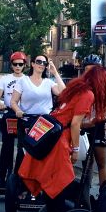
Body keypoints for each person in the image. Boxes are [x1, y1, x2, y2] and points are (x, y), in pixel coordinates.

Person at [18, 64, 106, 212]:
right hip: (59, 140)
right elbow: (75, 124)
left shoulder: (76, 89)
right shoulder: (88, 94)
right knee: (61, 181)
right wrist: (75, 149)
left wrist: (92, 122)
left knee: (51, 178)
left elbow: (70, 119)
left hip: (49, 133)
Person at [10, 54, 66, 188]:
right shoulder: (23, 81)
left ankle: (42, 184)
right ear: (33, 64)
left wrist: (55, 72)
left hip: (44, 122)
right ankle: (20, 185)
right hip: (27, 120)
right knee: (24, 153)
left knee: (45, 154)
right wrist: (17, 110)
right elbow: (13, 101)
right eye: (39, 61)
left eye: (44, 63)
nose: (42, 64)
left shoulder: (48, 82)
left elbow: (63, 92)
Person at [0, 51, 27, 184]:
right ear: (11, 65)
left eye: (20, 64)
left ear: (24, 65)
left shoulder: (27, 80)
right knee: (7, 146)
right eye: (15, 64)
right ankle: (2, 175)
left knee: (22, 147)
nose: (18, 66)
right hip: (9, 114)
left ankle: (18, 176)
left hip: (24, 116)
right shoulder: (5, 79)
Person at [79, 54, 106, 185]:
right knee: (87, 164)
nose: (90, 73)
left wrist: (102, 116)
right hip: (84, 125)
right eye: (88, 69)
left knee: (101, 162)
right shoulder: (81, 85)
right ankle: (85, 197)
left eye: (93, 69)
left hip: (99, 125)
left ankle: (105, 195)